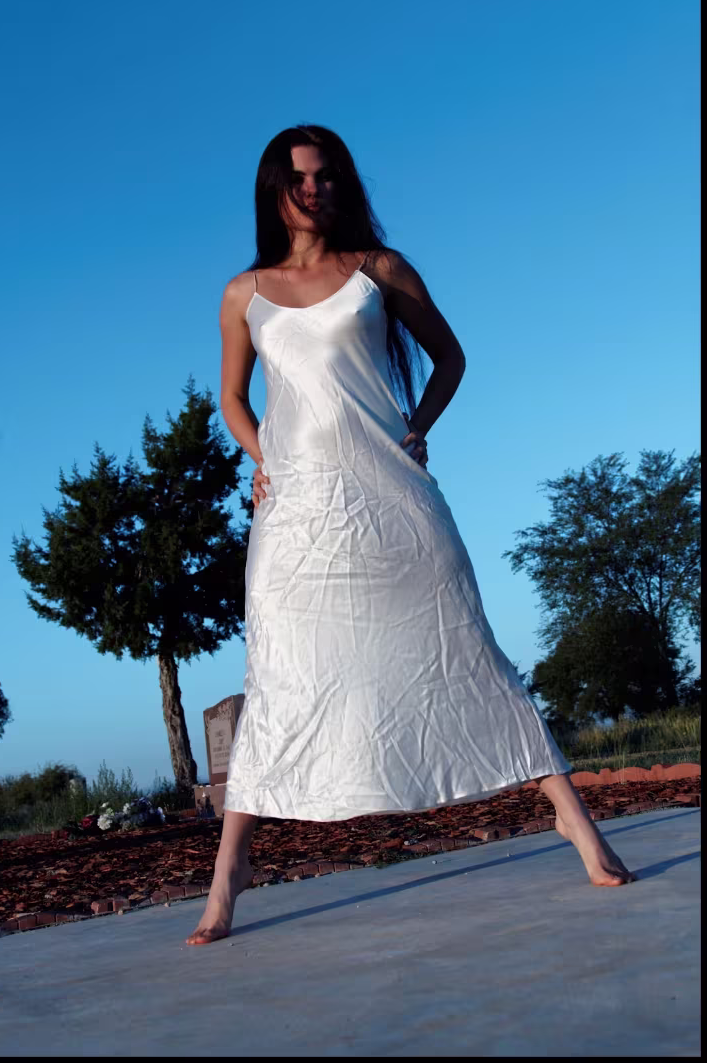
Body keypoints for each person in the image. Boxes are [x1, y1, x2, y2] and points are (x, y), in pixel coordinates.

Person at [186, 125, 636, 946]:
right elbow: (234, 401)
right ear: (273, 189)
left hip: (393, 500)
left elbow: (450, 359)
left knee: (465, 646)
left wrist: (417, 428)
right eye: (298, 177)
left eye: (327, 176)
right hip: (297, 518)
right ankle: (231, 872)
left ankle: (575, 822)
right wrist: (263, 459)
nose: (313, 189)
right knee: (280, 671)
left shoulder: (378, 270)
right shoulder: (243, 293)